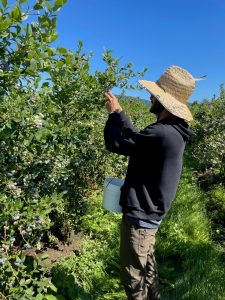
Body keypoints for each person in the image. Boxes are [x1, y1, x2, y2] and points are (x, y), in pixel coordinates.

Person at [103, 65, 202, 300]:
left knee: (133, 277)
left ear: (163, 101)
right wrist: (120, 114)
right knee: (148, 268)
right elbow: (139, 139)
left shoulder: (162, 133)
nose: (150, 96)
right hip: (151, 214)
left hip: (141, 217)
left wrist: (112, 116)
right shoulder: (173, 131)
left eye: (155, 94)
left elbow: (116, 143)